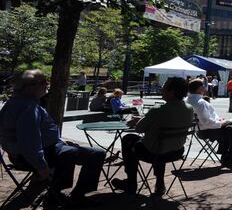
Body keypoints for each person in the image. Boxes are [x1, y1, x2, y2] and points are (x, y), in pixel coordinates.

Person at [0, 70, 105, 207]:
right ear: (28, 87)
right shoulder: (29, 108)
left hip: (22, 154)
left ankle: (56, 194)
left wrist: (59, 141)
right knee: (96, 153)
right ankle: (73, 195)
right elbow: (29, 142)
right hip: (31, 157)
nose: (47, 84)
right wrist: (40, 166)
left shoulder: (15, 102)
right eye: (43, 82)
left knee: (70, 151)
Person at [111, 77, 194, 195]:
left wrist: (141, 120)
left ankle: (131, 182)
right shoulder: (189, 109)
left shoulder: (158, 110)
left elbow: (139, 129)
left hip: (153, 153)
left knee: (128, 139)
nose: (161, 89)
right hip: (177, 151)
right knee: (161, 143)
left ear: (172, 91)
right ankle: (159, 183)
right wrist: (145, 119)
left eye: (164, 87)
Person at [187, 79, 232, 168]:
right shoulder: (200, 102)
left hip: (200, 130)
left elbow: (206, 119)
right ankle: (230, 159)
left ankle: (225, 157)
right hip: (207, 131)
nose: (205, 87)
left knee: (230, 128)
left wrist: (220, 120)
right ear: (199, 89)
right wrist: (221, 123)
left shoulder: (187, 100)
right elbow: (206, 122)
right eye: (203, 86)